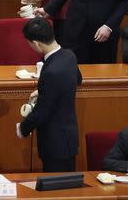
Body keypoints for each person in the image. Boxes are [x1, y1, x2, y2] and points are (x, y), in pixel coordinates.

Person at [16, 17, 82, 172]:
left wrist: (23, 128)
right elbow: (77, 79)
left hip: (55, 142)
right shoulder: (69, 55)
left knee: (56, 189)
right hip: (68, 138)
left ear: (36, 43)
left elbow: (42, 111)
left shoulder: (51, 71)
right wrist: (44, 90)